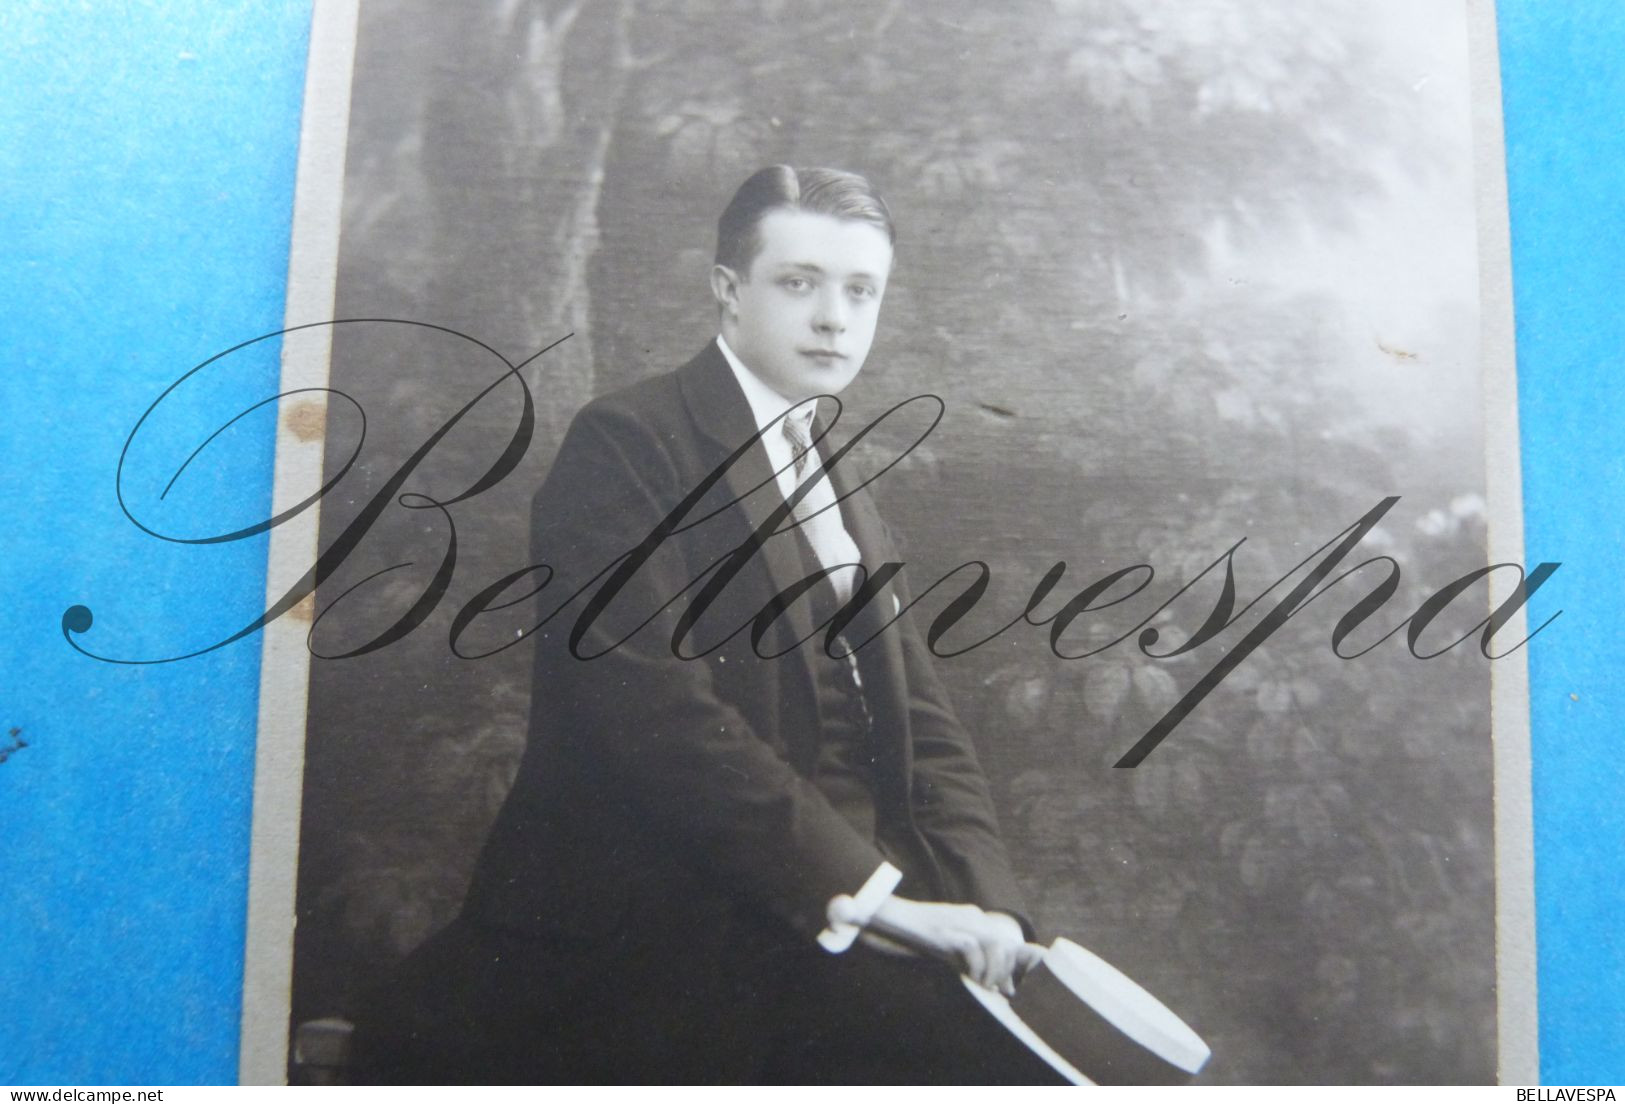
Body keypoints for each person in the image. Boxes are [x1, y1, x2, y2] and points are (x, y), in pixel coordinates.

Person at [349, 166, 1064, 1084]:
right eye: (799, 283)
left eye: (860, 291)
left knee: (1067, 1057)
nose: (833, 319)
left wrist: (984, 901)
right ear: (729, 291)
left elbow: (924, 721)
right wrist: (882, 903)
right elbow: (657, 721)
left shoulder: (839, 472)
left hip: (847, 895)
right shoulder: (629, 443)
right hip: (677, 910)